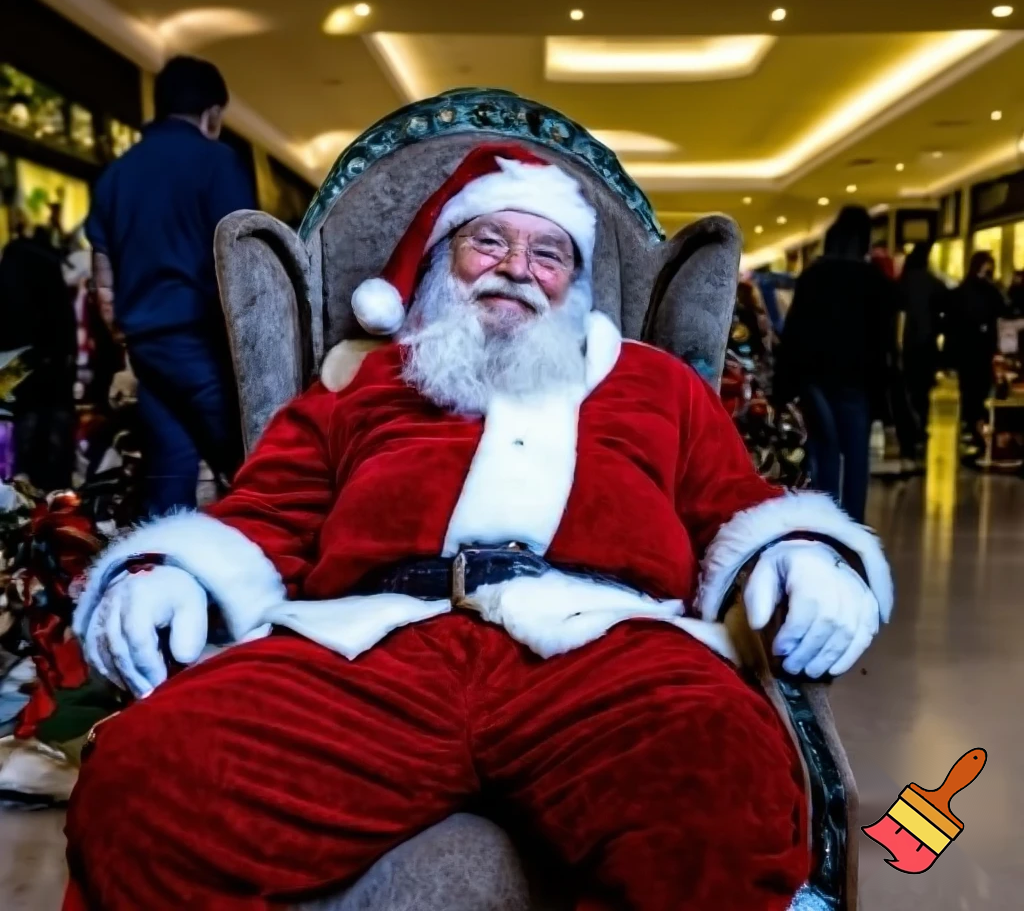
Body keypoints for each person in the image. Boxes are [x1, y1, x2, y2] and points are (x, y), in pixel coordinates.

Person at [66, 144, 893, 911]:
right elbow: (268, 509)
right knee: (148, 776)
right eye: (487, 242)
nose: (516, 270)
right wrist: (170, 571)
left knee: (720, 781)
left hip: (610, 648)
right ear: (440, 264)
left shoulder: (658, 385)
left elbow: (734, 506)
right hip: (375, 648)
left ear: (578, 283)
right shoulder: (370, 382)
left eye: (548, 253)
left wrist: (804, 553)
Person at [84, 55, 255, 514]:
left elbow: (103, 275)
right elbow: (241, 255)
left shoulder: (116, 173)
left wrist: (121, 330)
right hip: (203, 343)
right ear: (212, 113)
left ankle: (160, 575)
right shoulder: (217, 161)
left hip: (146, 347)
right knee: (252, 471)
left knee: (168, 478)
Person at [774, 206, 896, 521]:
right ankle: (854, 527)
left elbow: (796, 331)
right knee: (857, 459)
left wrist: (783, 386)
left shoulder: (814, 275)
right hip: (858, 381)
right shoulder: (875, 281)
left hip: (816, 379)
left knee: (824, 451)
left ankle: (828, 523)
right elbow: (884, 342)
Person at [0, 218, 77, 491]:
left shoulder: (12, 262)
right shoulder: (46, 265)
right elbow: (64, 325)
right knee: (47, 442)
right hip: (48, 367)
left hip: (14, 367)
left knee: (13, 426)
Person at [947, 251, 1006, 445]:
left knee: (970, 393)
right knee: (979, 392)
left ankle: (975, 428)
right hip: (980, 350)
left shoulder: (962, 290)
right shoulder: (989, 291)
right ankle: (978, 429)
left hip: (968, 351)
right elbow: (1002, 308)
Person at [898, 242, 949, 445]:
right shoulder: (933, 282)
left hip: (909, 342)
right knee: (924, 388)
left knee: (910, 386)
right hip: (928, 342)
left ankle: (912, 428)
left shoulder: (904, 281)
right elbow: (947, 304)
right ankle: (923, 423)